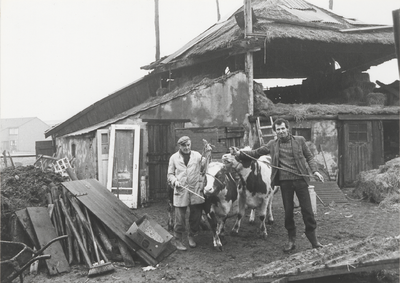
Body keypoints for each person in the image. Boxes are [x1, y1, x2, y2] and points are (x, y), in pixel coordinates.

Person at [230, 118, 324, 252]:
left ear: (288, 128)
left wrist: (315, 171)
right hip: (285, 183)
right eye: (278, 129)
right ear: (275, 131)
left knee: (307, 211)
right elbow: (256, 153)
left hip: (300, 181)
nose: (281, 131)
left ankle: (313, 240)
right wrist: (240, 153)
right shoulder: (272, 144)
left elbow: (309, 157)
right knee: (288, 213)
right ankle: (291, 240)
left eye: (283, 128)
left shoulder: (300, 140)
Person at [167, 136, 211, 251]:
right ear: (179, 146)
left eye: (188, 145)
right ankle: (177, 240)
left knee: (195, 217)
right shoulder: (174, 158)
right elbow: (170, 174)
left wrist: (207, 153)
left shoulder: (197, 156)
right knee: (179, 218)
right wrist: (175, 181)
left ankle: (191, 236)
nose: (186, 148)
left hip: (195, 190)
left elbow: (204, 167)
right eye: (184, 146)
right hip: (181, 191)